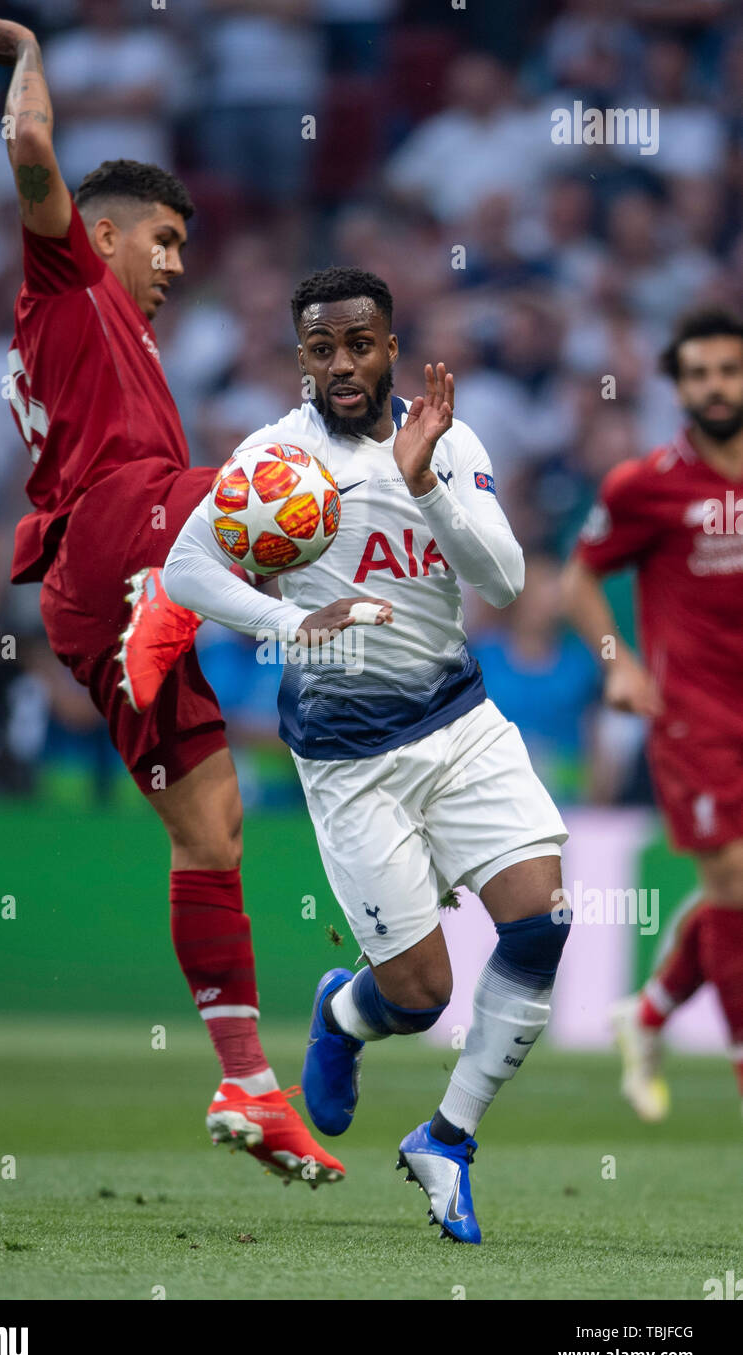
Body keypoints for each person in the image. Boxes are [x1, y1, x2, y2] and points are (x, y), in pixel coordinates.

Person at [0, 6, 346, 1185]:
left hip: (99, 585)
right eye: (163, 240)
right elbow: (32, 159)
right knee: (286, 484)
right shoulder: (68, 274)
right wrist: (31, 61)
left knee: (211, 832)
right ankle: (179, 604)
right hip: (110, 536)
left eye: (183, 245)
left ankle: (246, 1078)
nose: (175, 263)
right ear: (105, 231)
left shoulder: (119, 337)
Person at [163, 267, 571, 1243]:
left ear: (391, 347)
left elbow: (506, 584)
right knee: (419, 997)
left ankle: (447, 1136)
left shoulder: (445, 438)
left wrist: (422, 479)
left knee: (541, 923)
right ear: (301, 357)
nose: (341, 364)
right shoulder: (276, 464)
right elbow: (183, 565)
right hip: (349, 761)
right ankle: (344, 1016)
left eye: (359, 344)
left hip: (459, 723)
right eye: (321, 348)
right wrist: (287, 624)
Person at [562, 307, 743, 1122]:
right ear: (678, 387)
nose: (715, 386)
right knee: (735, 883)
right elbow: (578, 580)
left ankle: (647, 1014)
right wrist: (618, 665)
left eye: (728, 371)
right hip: (694, 717)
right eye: (699, 373)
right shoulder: (646, 485)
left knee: (736, 891)